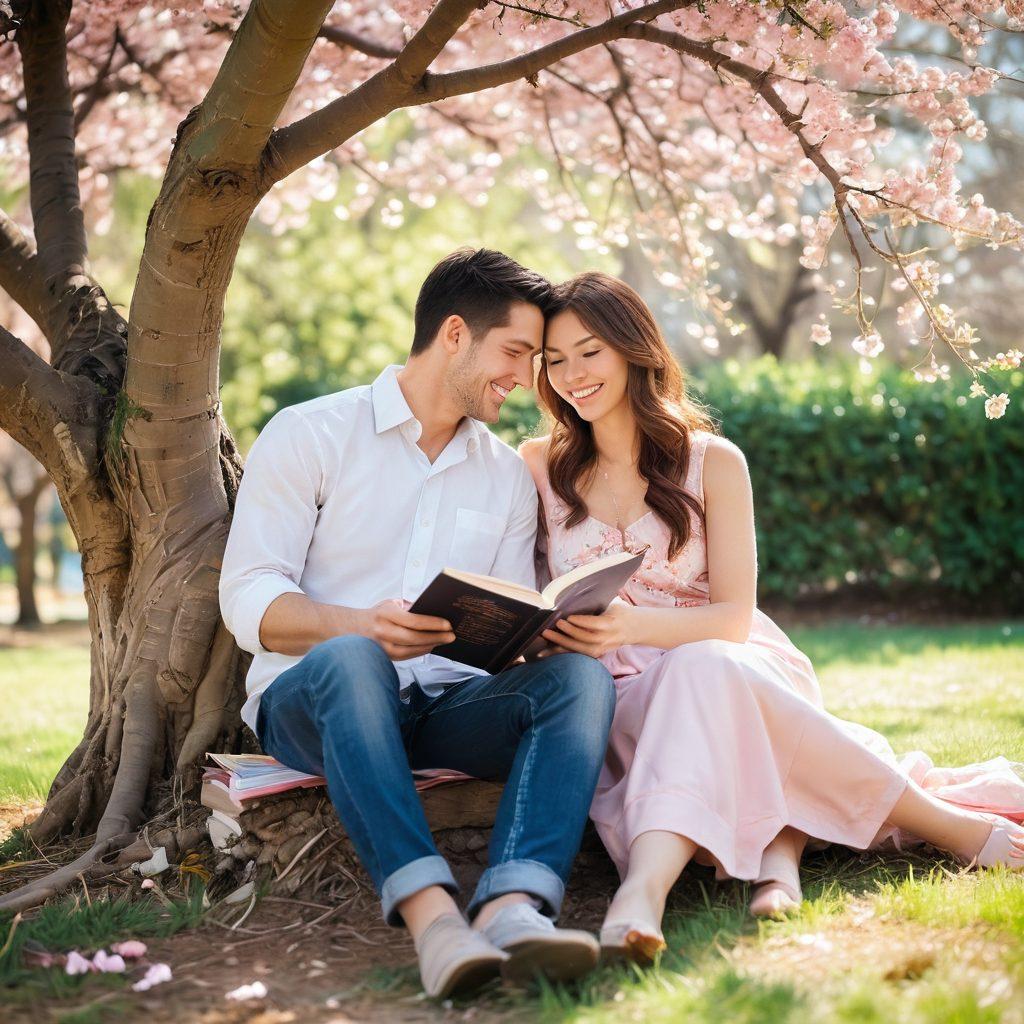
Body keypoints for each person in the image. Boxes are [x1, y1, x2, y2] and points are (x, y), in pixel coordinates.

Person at [520, 271, 1024, 964]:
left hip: (731, 657)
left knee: (707, 667)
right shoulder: (538, 466)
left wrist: (634, 625)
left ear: (634, 349)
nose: (572, 374)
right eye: (554, 359)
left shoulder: (713, 462)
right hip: (621, 686)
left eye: (589, 351)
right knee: (701, 681)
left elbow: (732, 617)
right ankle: (793, 853)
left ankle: (645, 892)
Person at [219, 249, 616, 998]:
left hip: (438, 708)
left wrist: (541, 636)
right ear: (456, 334)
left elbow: (499, 624)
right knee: (354, 659)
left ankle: (512, 906)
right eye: (516, 354)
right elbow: (248, 597)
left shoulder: (504, 476)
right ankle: (434, 920)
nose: (526, 378)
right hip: (315, 702)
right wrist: (360, 626)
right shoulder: (310, 434)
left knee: (579, 683)